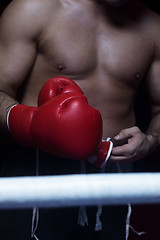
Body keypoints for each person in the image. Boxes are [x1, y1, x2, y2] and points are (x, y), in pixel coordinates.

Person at [0, 0, 160, 239]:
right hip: (39, 168)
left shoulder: (153, 26)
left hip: (114, 173)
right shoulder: (33, 8)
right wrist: (29, 123)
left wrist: (151, 140)